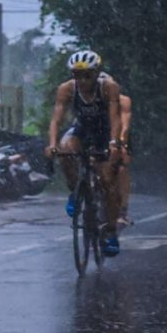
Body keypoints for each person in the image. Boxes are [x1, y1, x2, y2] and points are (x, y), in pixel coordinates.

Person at [44, 48, 130, 254]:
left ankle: (110, 231)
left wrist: (114, 143)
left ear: (96, 73)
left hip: (105, 132)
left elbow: (115, 118)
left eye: (87, 75)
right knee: (66, 150)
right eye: (77, 75)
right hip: (82, 129)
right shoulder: (66, 89)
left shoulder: (109, 87)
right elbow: (57, 119)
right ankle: (75, 190)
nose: (82, 80)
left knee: (108, 181)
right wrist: (52, 143)